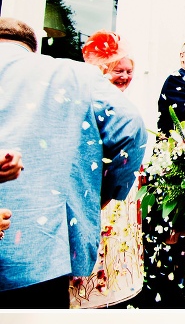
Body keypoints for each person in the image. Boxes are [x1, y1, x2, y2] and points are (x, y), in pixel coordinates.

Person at [0, 18, 146, 306]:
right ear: (32, 48)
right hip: (40, 256)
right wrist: (105, 193)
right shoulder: (71, 75)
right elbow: (132, 128)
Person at [71, 34, 145, 307]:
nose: (125, 76)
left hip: (120, 190)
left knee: (116, 246)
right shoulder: (90, 100)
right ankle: (88, 294)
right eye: (118, 71)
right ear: (103, 70)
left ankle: (110, 291)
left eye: (129, 71)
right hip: (101, 184)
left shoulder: (123, 102)